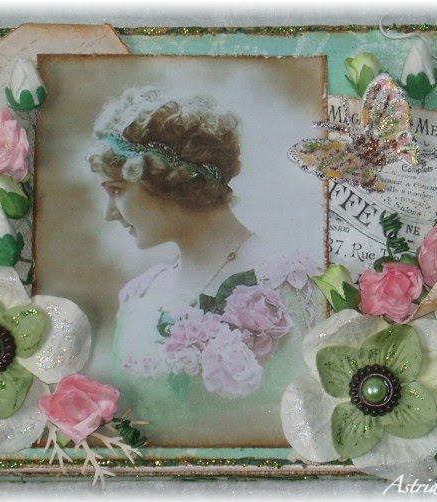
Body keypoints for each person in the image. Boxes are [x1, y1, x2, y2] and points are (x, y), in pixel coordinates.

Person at [89, 88, 322, 447]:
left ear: (165, 179)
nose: (110, 213)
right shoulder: (138, 299)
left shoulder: (292, 282)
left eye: (118, 189)